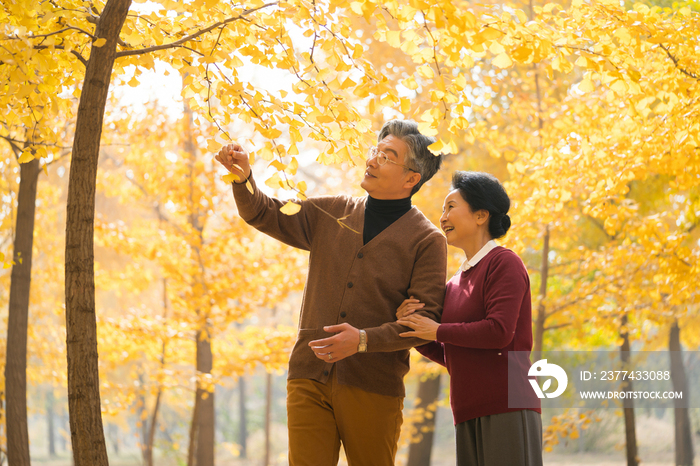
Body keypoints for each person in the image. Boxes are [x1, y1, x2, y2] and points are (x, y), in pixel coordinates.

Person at [215, 120, 447, 466]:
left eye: (387, 156)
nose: (372, 160)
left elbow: (421, 323)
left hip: (374, 384)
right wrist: (243, 177)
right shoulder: (331, 212)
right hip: (309, 373)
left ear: (411, 178)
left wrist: (363, 339)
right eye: (375, 151)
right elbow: (265, 212)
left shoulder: (427, 241)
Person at [397, 171, 542, 466]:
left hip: (508, 403)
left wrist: (436, 330)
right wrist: (411, 327)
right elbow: (452, 352)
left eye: (451, 207)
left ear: (480, 215)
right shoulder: (453, 283)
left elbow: (498, 331)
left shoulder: (504, 263)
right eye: (442, 209)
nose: (442, 216)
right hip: (466, 409)